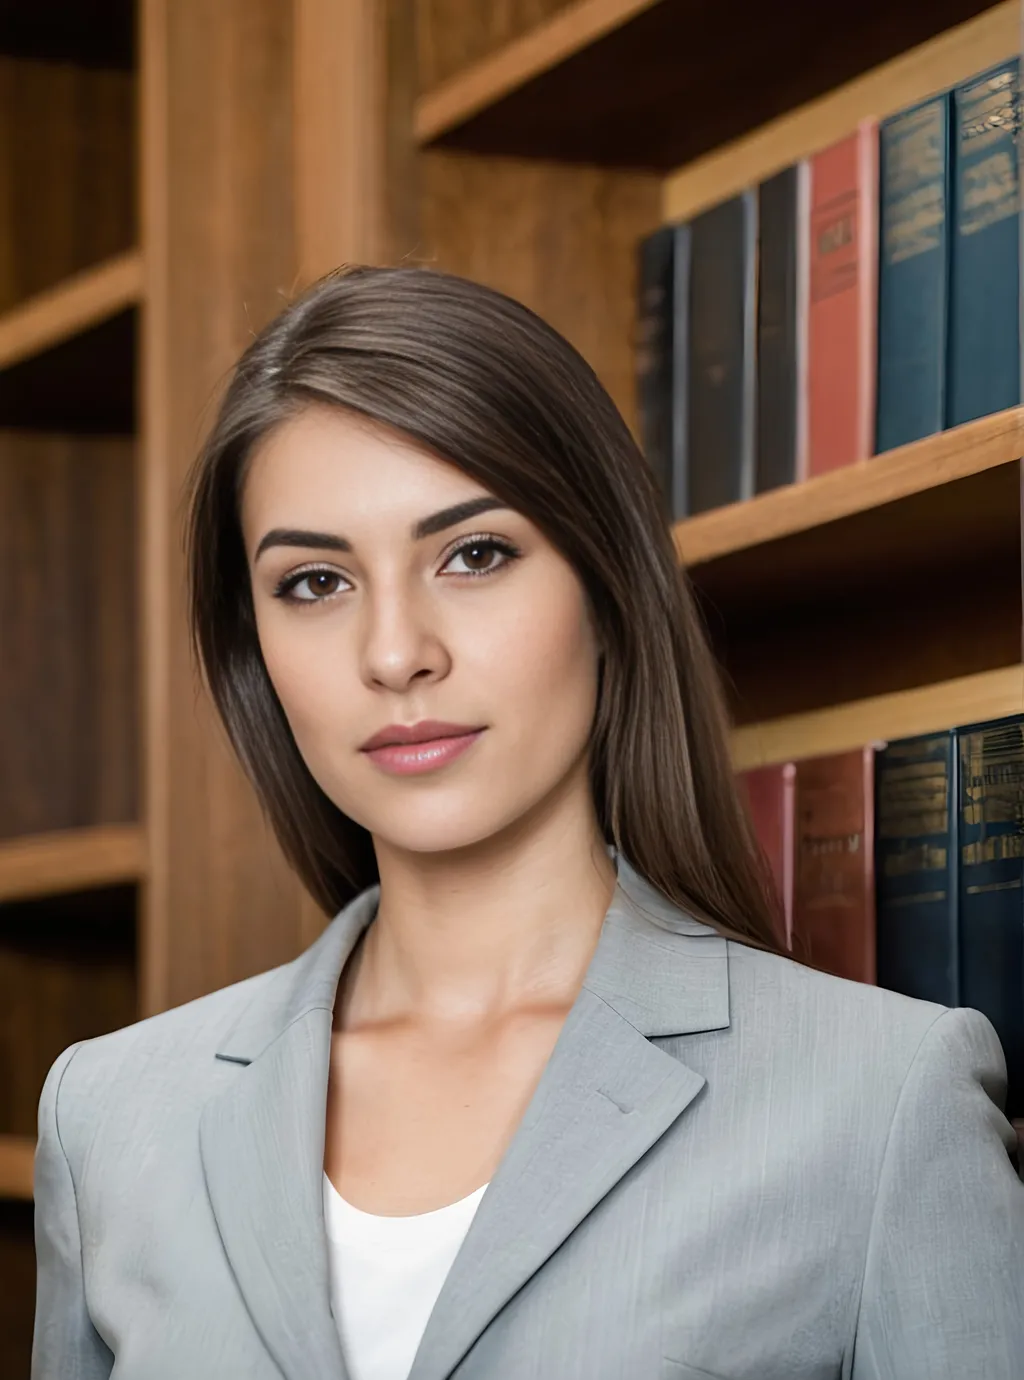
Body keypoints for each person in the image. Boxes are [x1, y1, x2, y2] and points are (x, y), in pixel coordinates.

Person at [32, 265, 1023, 1380]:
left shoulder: (882, 1100)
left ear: (605, 590)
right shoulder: (111, 1114)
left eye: (474, 554)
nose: (395, 651)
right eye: (314, 581)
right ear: (252, 646)